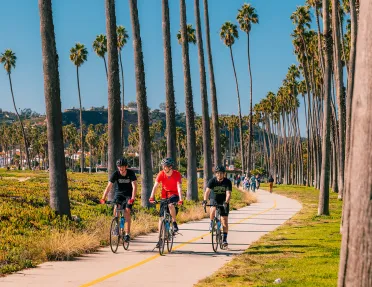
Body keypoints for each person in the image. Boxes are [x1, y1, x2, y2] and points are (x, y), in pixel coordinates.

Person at [100, 158, 137, 242]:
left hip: (128, 195)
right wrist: (103, 198)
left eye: (123, 167)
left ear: (126, 167)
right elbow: (108, 186)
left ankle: (127, 234)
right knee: (116, 207)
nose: (121, 168)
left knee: (127, 211)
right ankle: (116, 225)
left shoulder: (131, 173)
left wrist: (132, 198)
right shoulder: (115, 174)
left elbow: (134, 186)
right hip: (119, 194)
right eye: (119, 167)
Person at [149, 158, 183, 246]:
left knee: (171, 205)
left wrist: (180, 199)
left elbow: (179, 187)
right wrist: (151, 197)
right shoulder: (161, 174)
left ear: (170, 167)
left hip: (174, 195)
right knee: (161, 218)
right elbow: (155, 186)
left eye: (166, 166)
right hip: (165, 195)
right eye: (163, 166)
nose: (164, 168)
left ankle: (174, 223)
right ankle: (160, 239)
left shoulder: (177, 174)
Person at [203, 165, 232, 248]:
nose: (219, 175)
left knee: (224, 220)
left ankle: (224, 239)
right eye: (218, 173)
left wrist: (226, 202)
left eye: (221, 173)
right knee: (213, 208)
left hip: (223, 201)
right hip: (214, 199)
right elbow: (207, 191)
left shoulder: (227, 182)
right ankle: (212, 222)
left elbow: (228, 193)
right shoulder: (212, 181)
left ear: (224, 174)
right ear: (215, 174)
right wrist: (205, 200)